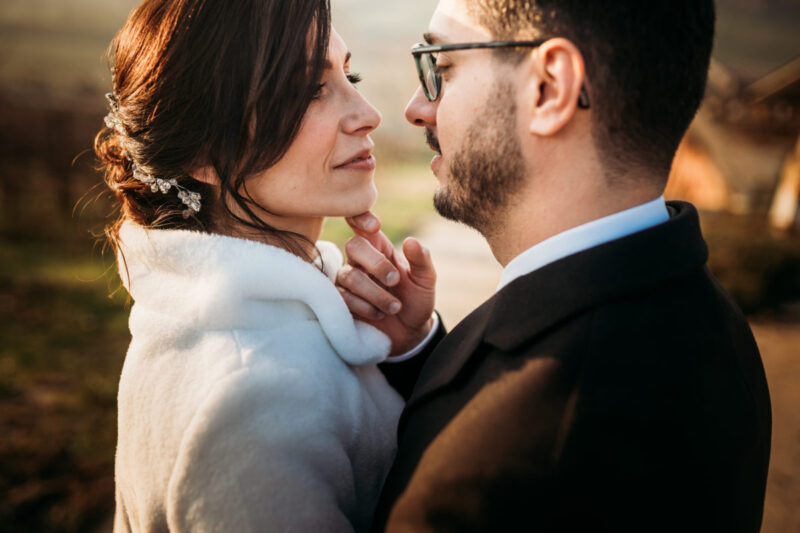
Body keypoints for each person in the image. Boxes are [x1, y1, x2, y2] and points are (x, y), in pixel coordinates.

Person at [337, 0, 773, 531]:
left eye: (441, 66)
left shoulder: (500, 467)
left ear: (549, 88)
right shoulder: (708, 317)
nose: (414, 108)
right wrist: (419, 350)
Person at [94, 0, 418, 530]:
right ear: (200, 149)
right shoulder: (255, 402)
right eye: (309, 89)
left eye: (348, 74)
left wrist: (409, 349)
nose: (367, 113)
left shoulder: (195, 320)